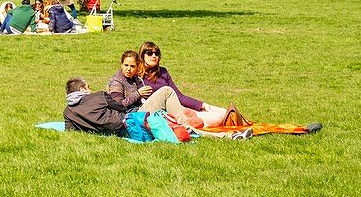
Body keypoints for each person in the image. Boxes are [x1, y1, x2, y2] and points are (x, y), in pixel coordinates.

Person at [64, 77, 253, 140]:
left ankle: (226, 134)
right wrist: (138, 96)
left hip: (121, 130)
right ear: (82, 89)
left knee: (174, 123)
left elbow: (70, 131)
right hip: (131, 122)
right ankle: (228, 136)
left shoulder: (68, 112)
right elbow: (121, 107)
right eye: (86, 87)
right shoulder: (98, 96)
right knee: (167, 93)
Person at [139, 41, 228, 126]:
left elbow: (179, 96)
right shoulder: (137, 74)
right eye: (149, 53)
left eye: (157, 53)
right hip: (160, 112)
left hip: (177, 108)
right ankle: (194, 124)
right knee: (217, 119)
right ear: (142, 55)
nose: (154, 56)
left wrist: (203, 105)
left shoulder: (163, 72)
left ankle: (199, 120)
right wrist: (138, 93)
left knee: (222, 112)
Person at [107, 50, 189, 115]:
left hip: (140, 109)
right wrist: (138, 94)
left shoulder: (134, 77)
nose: (128, 69)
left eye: (132, 66)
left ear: (137, 67)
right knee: (167, 91)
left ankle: (185, 121)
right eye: (126, 65)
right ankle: (185, 124)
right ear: (121, 64)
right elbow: (118, 105)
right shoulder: (116, 82)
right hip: (133, 115)